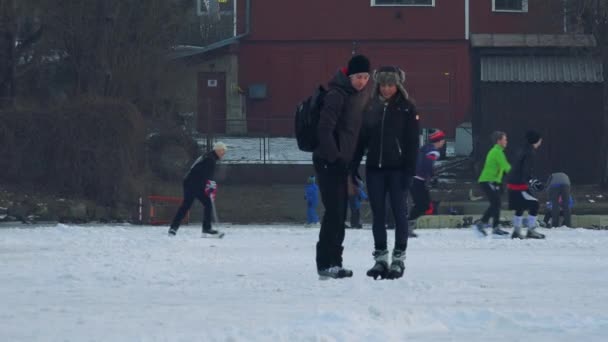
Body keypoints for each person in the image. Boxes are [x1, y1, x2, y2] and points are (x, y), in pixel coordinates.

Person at [350, 65, 419, 280]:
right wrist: (354, 165)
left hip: (398, 171)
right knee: (378, 215)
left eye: (391, 85)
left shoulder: (407, 108)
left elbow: (412, 143)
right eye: (383, 85)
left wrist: (409, 172)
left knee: (399, 215)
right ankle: (381, 259)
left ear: (397, 85)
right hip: (375, 170)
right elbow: (362, 139)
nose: (387, 89)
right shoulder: (370, 106)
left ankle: (398, 259)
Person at [313, 54, 372, 279]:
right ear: (349, 75)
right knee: (335, 213)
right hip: (328, 162)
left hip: (342, 163)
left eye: (366, 77)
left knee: (341, 213)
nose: (362, 81)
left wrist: (352, 162)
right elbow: (324, 130)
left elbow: (353, 133)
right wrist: (335, 158)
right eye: (358, 77)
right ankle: (325, 263)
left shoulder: (357, 96)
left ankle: (335, 262)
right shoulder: (337, 95)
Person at [168, 142, 227, 237]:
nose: (224, 153)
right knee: (186, 205)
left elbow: (205, 176)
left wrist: (209, 185)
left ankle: (206, 228)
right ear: (218, 150)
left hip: (196, 183)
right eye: (223, 151)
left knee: (207, 203)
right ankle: (173, 228)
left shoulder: (210, 157)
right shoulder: (210, 159)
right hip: (192, 183)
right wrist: (209, 186)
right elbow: (204, 175)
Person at [507, 130, 546, 239]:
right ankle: (531, 231)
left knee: (520, 206)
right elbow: (526, 171)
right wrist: (532, 181)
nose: (541, 143)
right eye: (540, 140)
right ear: (536, 140)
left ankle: (516, 231)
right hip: (518, 184)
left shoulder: (522, 150)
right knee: (534, 204)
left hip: (513, 182)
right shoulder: (530, 152)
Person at [408, 129, 446, 237]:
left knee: (423, 204)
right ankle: (406, 226)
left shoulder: (425, 149)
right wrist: (432, 176)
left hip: (415, 179)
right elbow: (428, 164)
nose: (443, 142)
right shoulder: (433, 151)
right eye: (443, 140)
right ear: (439, 141)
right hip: (417, 180)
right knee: (422, 205)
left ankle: (407, 225)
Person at [475, 131, 511, 237]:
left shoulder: (497, 151)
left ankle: (494, 227)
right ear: (499, 141)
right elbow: (506, 167)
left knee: (496, 203)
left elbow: (499, 169)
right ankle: (483, 224)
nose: (506, 141)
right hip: (487, 181)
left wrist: (499, 184)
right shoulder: (497, 152)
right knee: (496, 203)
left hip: (492, 181)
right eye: (505, 139)